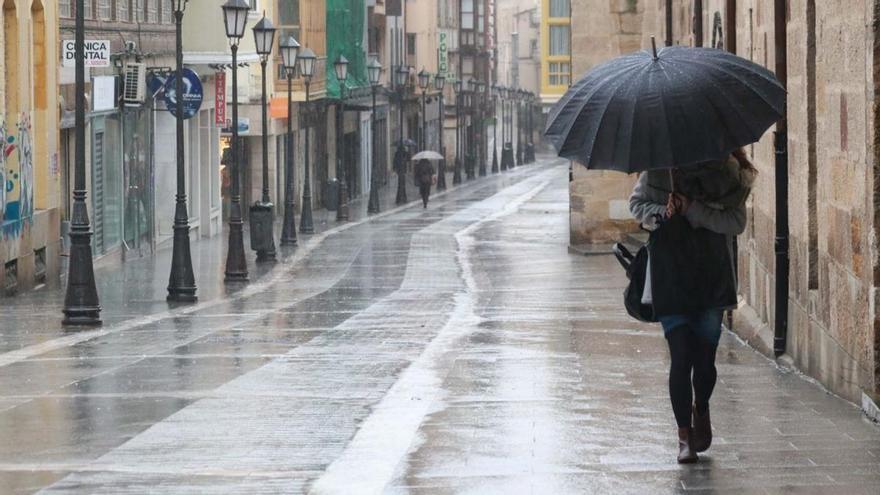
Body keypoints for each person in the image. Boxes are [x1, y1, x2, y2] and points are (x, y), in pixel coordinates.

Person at [629, 149, 756, 464]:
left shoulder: (727, 172)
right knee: (681, 356)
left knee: (704, 362)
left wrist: (693, 209)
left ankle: (702, 404)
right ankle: (684, 437)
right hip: (670, 276)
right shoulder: (657, 169)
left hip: (711, 276)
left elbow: (736, 221)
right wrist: (665, 212)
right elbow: (638, 205)